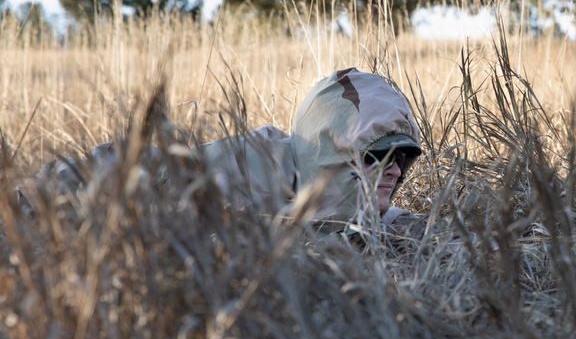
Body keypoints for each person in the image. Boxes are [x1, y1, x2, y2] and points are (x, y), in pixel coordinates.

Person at [25, 68, 424, 232]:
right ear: (330, 150)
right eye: (381, 155)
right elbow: (113, 171)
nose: (395, 170)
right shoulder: (233, 168)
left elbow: (407, 228)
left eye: (404, 158)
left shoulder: (354, 208)